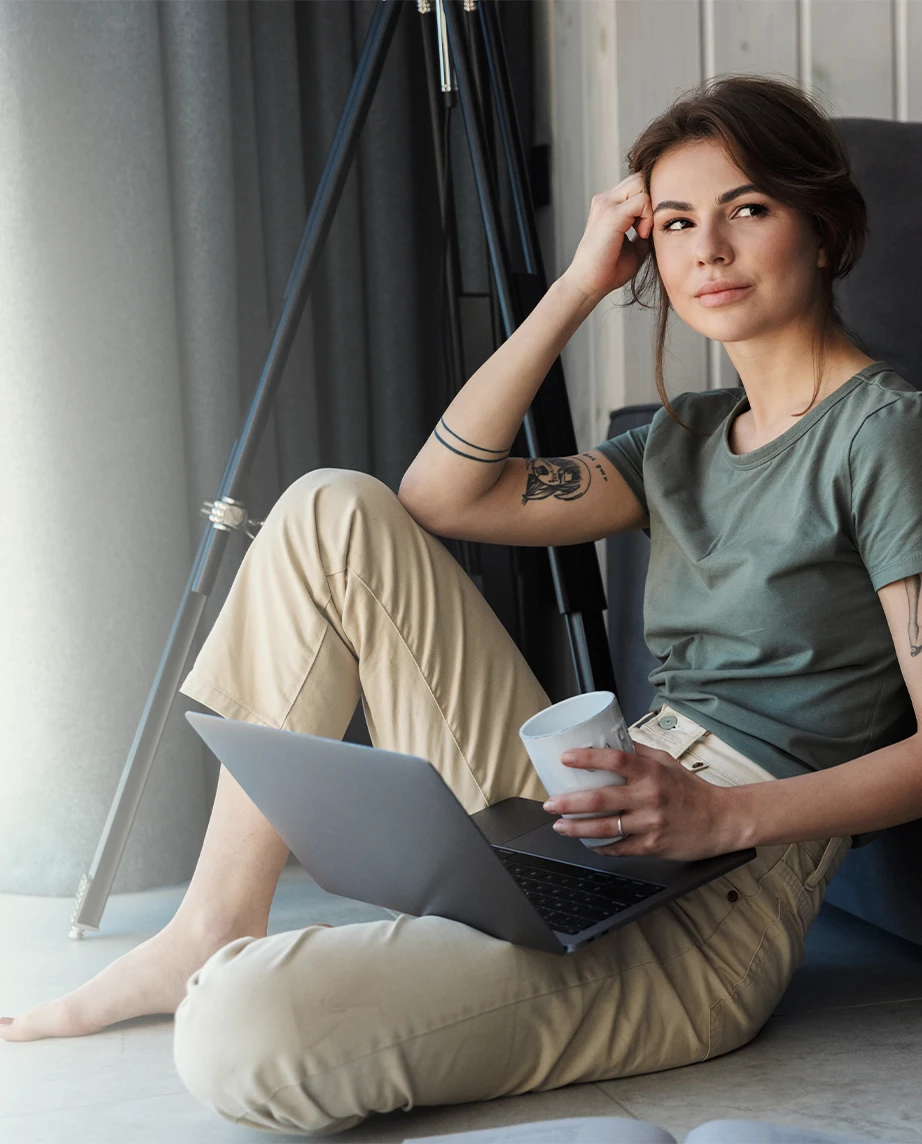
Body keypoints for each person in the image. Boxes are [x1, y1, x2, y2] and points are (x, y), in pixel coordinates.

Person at [3, 73, 921, 1138]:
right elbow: (438, 495)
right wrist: (576, 286)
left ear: (824, 225)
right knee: (327, 509)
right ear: (647, 252)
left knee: (239, 1035)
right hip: (599, 816)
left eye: (747, 208)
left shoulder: (885, 436)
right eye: (675, 222)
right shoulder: (683, 438)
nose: (706, 249)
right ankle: (213, 917)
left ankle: (305, 972)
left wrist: (723, 815)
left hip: (719, 899)